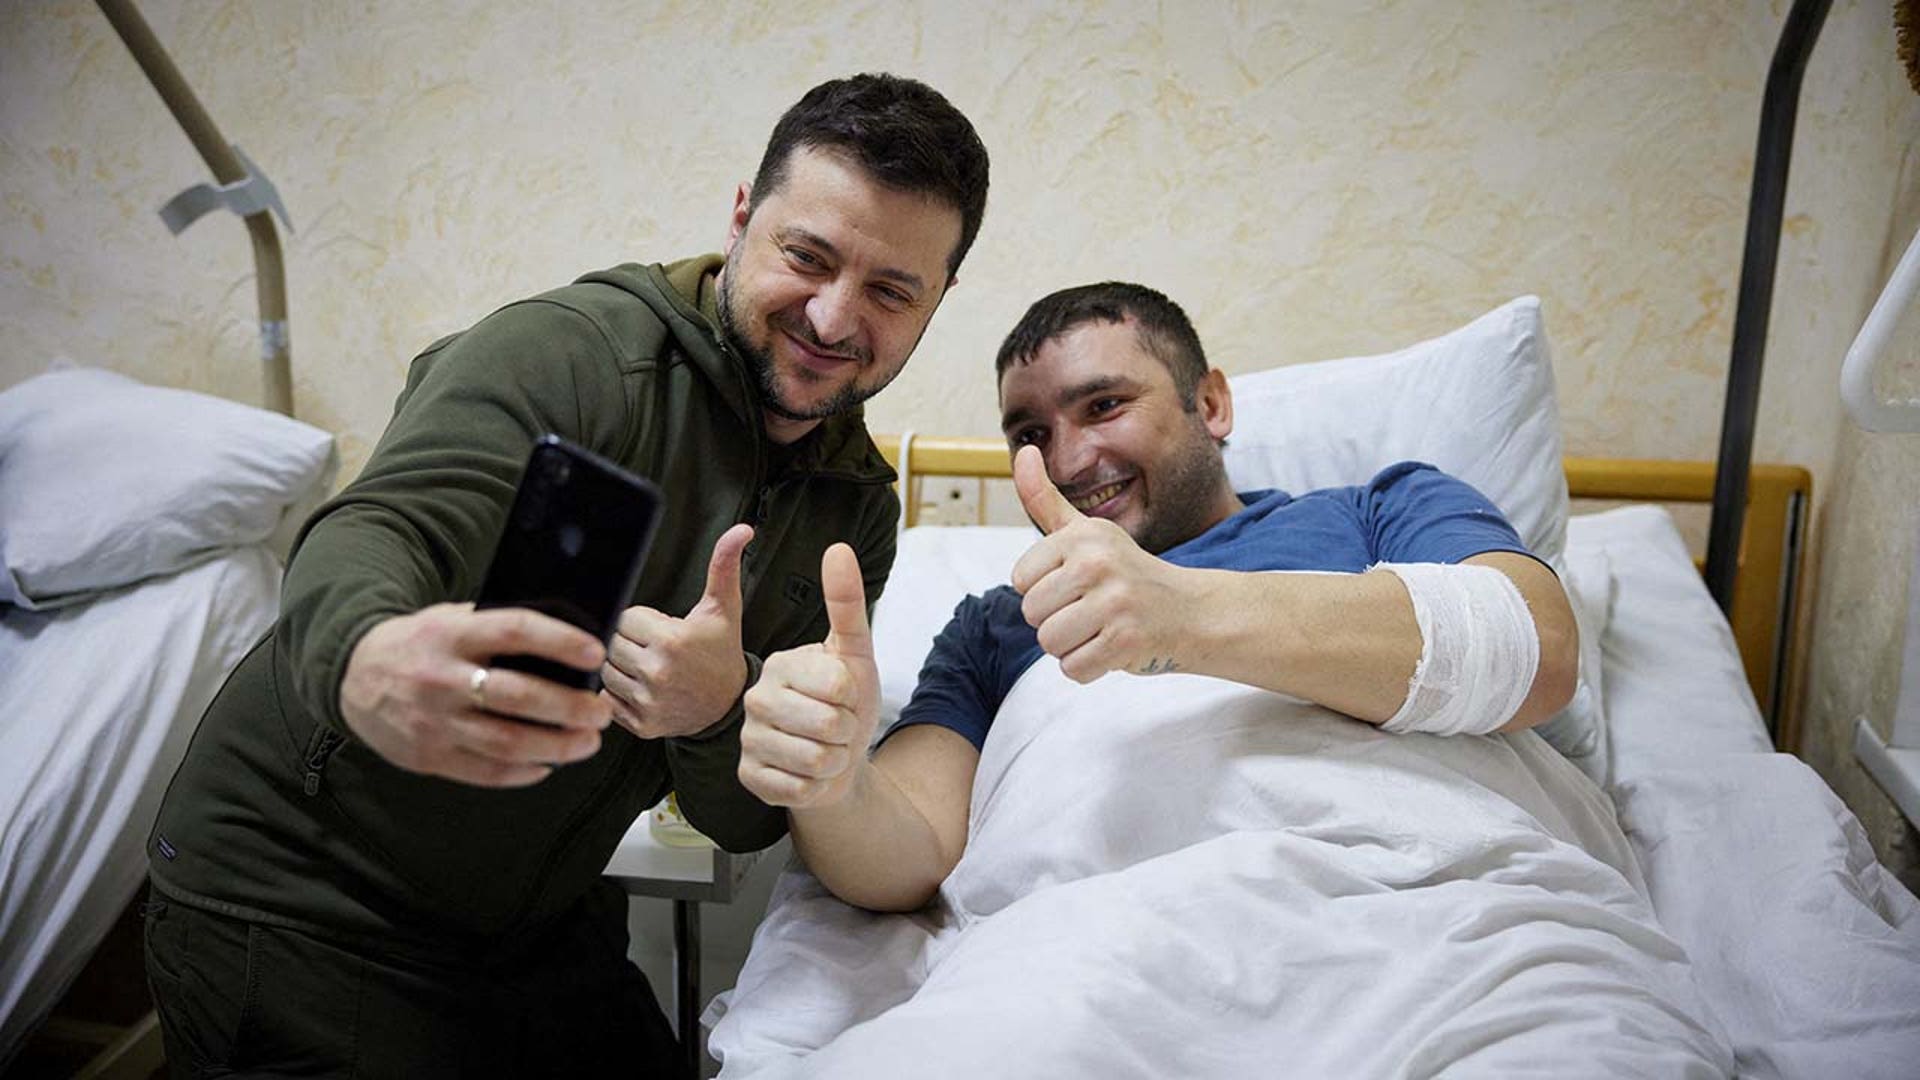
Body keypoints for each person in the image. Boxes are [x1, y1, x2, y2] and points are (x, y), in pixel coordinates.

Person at [142, 73, 989, 1078]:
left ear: (938, 300)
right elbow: (382, 525)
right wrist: (366, 655)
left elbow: (741, 819)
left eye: (890, 291)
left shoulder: (852, 511)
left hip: (538, 929)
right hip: (305, 906)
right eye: (806, 256)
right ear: (741, 218)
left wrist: (717, 710)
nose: (834, 317)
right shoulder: (576, 358)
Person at [738, 281, 1578, 913]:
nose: (1069, 462)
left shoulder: (1379, 511)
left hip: (1429, 911)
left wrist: (1182, 615)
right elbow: (911, 853)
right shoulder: (999, 624)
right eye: (1031, 435)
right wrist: (831, 783)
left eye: (1104, 405)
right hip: (1100, 948)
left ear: (1210, 403)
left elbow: (1536, 652)